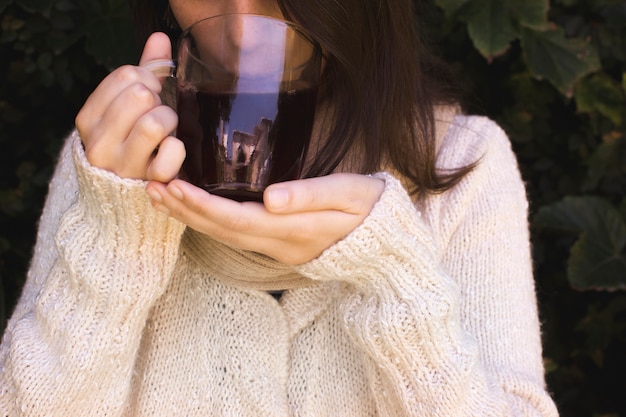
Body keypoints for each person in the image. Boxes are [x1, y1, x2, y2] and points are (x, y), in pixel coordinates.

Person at [0, 0, 560, 415]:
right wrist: (117, 235)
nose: (243, 32)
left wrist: (391, 271)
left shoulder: (461, 164)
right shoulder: (115, 155)